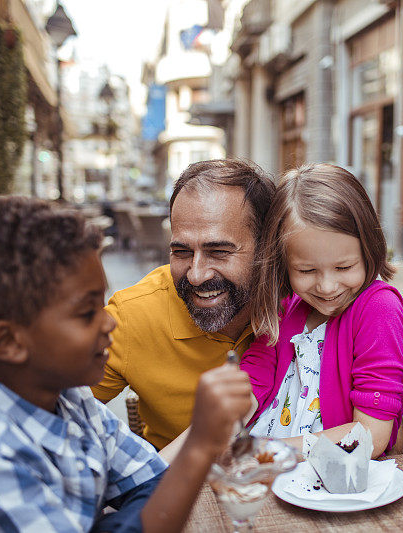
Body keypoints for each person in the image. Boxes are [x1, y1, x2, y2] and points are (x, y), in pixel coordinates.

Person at [0, 196, 253, 532]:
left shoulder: (72, 401)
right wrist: (200, 444)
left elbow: (149, 481)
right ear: (8, 342)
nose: (109, 323)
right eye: (86, 312)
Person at [92, 159, 275, 451]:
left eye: (218, 251)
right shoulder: (132, 315)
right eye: (181, 251)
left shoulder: (308, 299)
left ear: (267, 248)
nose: (196, 274)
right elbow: (50, 417)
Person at [241, 164, 403, 458]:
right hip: (268, 472)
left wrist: (268, 451)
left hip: (335, 480)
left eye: (344, 267)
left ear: (369, 249)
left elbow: (370, 435)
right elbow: (254, 379)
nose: (327, 286)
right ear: (283, 263)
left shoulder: (378, 309)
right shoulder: (285, 305)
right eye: (306, 270)